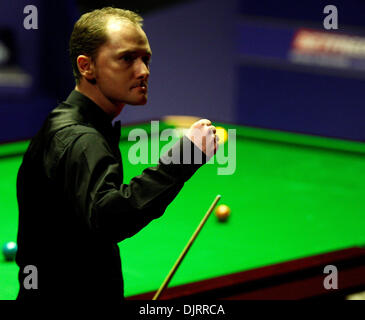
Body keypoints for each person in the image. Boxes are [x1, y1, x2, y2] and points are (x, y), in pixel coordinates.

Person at [15, 7, 218, 303]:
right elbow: (108, 218)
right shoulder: (81, 137)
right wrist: (185, 157)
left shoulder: (67, 120)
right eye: (126, 58)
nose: (143, 71)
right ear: (87, 67)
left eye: (145, 58)